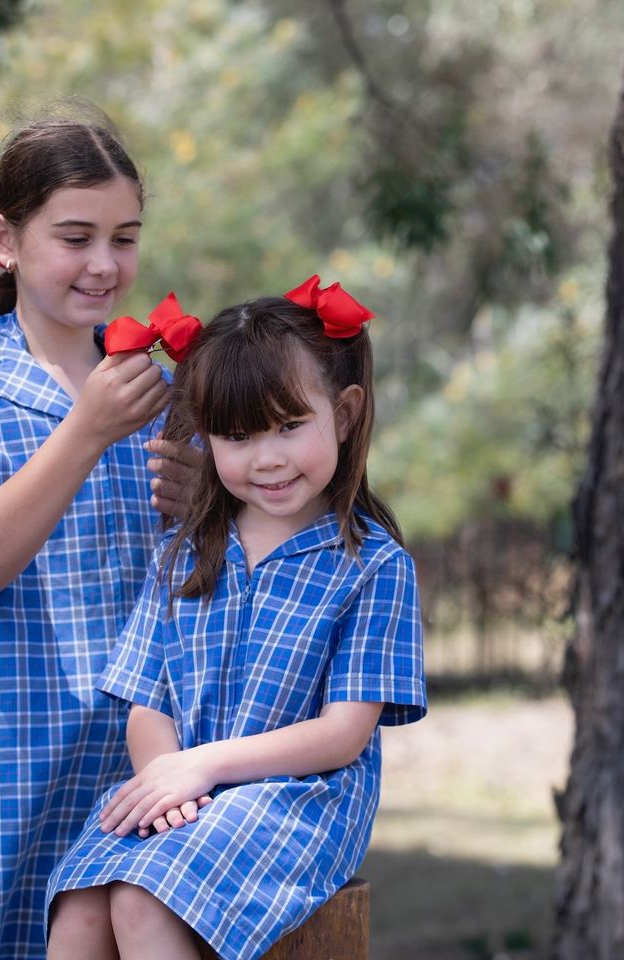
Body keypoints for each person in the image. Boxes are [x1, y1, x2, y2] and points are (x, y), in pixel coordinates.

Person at [45, 275, 428, 960]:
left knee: (139, 897)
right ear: (209, 438)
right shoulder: (183, 555)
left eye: (289, 426)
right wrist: (169, 784)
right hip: (191, 794)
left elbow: (342, 735)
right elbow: (146, 702)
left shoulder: (371, 567)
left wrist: (202, 768)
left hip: (300, 802)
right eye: (238, 436)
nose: (268, 457)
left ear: (342, 415)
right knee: (79, 907)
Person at [0, 111, 200, 958]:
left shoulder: (163, 392)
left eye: (125, 237)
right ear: (2, 240)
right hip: (17, 771)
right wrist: (84, 432)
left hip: (148, 772)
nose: (105, 265)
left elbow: (213, 583)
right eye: (75, 236)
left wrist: (200, 507)